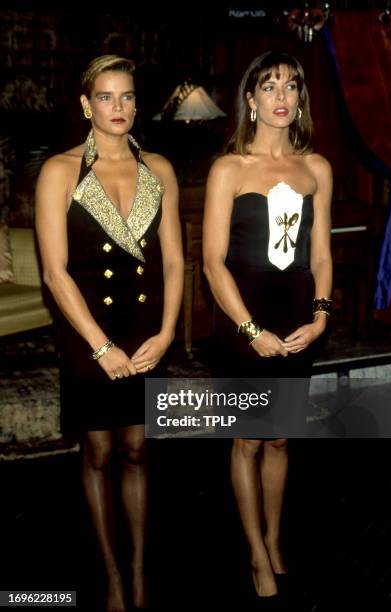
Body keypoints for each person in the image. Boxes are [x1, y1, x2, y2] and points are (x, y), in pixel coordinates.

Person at [35, 55, 184, 611]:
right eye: (105, 97)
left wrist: (168, 333)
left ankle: (141, 573)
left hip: (145, 329)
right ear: (85, 104)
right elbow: (54, 271)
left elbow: (174, 260)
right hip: (87, 328)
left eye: (127, 97)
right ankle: (112, 577)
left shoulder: (159, 169)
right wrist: (99, 346)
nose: (117, 108)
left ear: (136, 104)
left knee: (139, 448)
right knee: (98, 450)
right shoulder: (60, 171)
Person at [203, 50, 332, 605]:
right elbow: (211, 261)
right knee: (249, 440)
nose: (282, 97)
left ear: (299, 98)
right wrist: (249, 329)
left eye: (291, 87)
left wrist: (322, 315)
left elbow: (322, 254)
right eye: (269, 86)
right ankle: (255, 551)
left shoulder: (317, 168)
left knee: (280, 437)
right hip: (243, 319)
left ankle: (275, 538)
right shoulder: (228, 168)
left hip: (298, 318)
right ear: (250, 99)